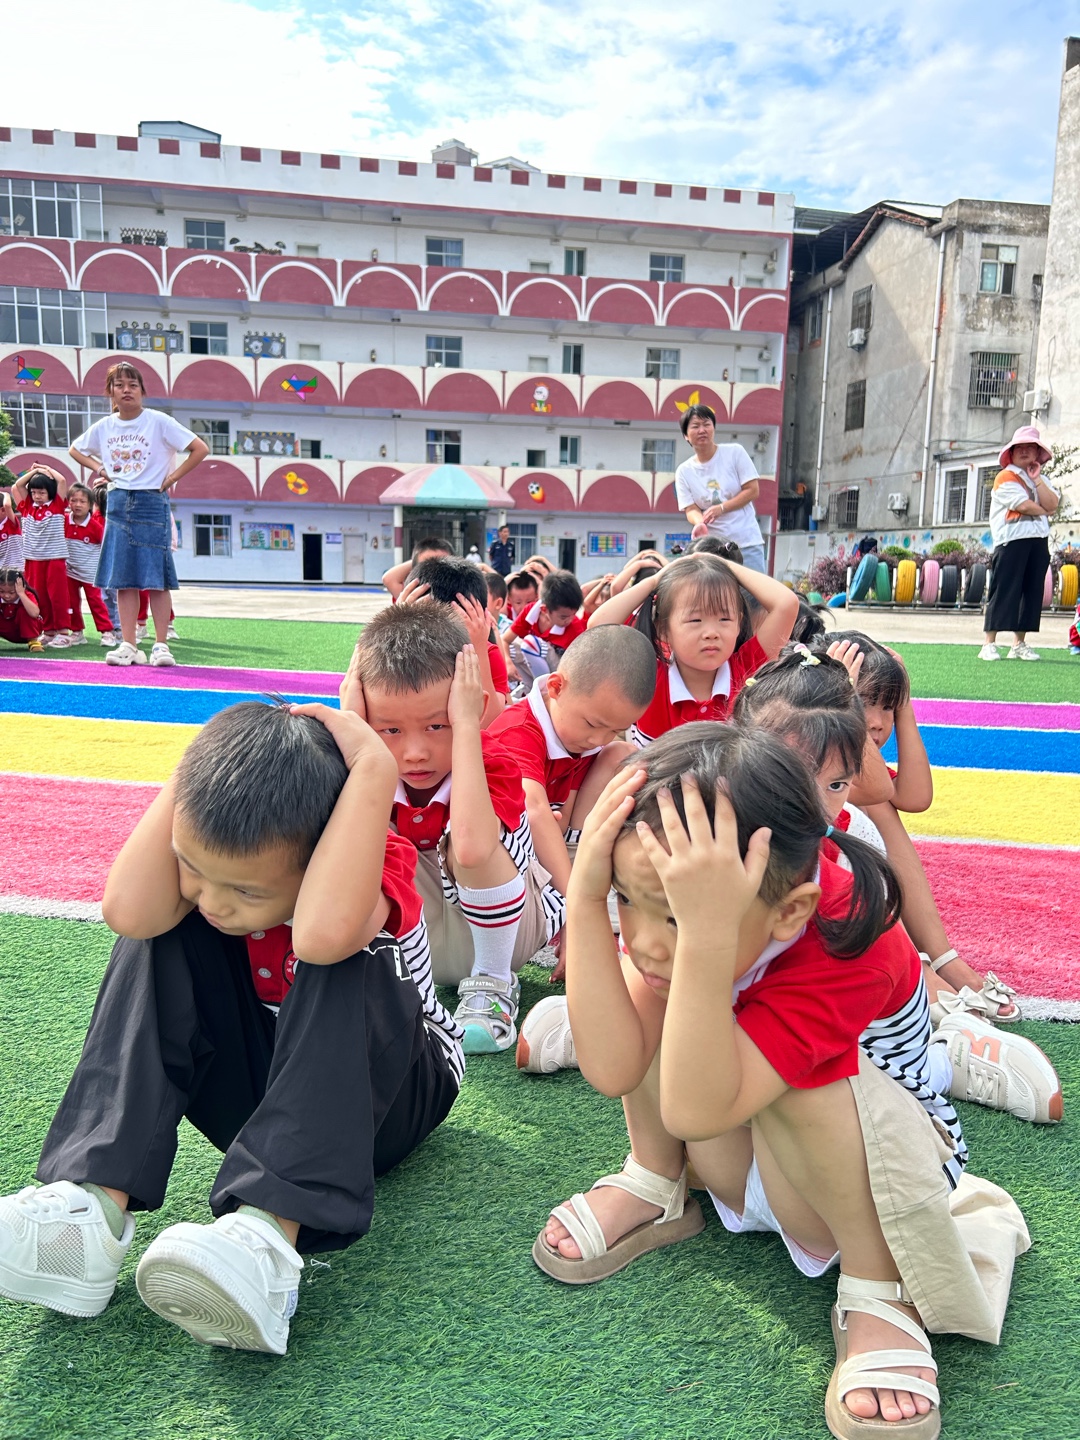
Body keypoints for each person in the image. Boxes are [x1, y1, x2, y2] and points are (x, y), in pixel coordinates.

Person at [534, 729, 1029, 1438]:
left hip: (870, 1186)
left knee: (808, 1072)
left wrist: (704, 942)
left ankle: (878, 1288)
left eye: (671, 914)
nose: (643, 937)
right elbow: (614, 1068)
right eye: (626, 899)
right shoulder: (685, 906)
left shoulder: (844, 936)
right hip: (740, 1144)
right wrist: (585, 897)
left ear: (789, 909)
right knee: (650, 985)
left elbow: (696, 1109)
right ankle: (653, 1179)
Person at [0, 698, 461, 1354]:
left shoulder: (375, 857)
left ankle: (266, 1242)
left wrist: (372, 767)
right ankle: (89, 1214)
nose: (214, 901)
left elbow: (323, 935)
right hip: (267, 1087)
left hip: (391, 1097)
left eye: (246, 891)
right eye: (194, 868)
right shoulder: (209, 884)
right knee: (161, 931)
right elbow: (129, 912)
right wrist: (199, 767)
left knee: (340, 954)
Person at [732, 647, 1061, 1124]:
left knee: (827, 1077)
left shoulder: (845, 861)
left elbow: (906, 794)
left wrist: (878, 708)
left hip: (864, 1022)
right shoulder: (715, 825)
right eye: (867, 704)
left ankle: (944, 1056)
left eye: (836, 784)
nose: (878, 721)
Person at [342, 605, 563, 1054]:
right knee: (339, 840)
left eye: (436, 725)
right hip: (411, 944)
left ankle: (494, 985)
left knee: (467, 843)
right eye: (389, 729)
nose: (415, 752)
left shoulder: (494, 759)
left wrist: (465, 728)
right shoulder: (361, 763)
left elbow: (473, 847)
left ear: (470, 709)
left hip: (504, 935)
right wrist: (354, 735)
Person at [821, 631, 1022, 1028]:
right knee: (872, 803)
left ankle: (939, 957)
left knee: (880, 806)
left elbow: (915, 797)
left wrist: (906, 705)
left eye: (888, 708)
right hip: (810, 888)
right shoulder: (813, 752)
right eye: (863, 702)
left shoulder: (863, 758)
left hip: (852, 900)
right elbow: (880, 791)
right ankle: (915, 962)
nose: (877, 722)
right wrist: (840, 704)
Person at [488, 624, 656, 903]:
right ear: (556, 687)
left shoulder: (578, 734)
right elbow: (534, 810)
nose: (598, 739)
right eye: (591, 724)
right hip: (506, 851)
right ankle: (570, 890)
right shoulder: (517, 730)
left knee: (624, 756)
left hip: (555, 835)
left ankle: (577, 863)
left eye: (614, 730)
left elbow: (566, 805)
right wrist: (576, 905)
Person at [69, 361, 208, 669]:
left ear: (142, 390)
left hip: (151, 501)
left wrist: (171, 479)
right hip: (118, 501)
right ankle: (129, 644)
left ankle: (160, 644)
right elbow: (75, 449)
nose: (126, 390)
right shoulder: (105, 426)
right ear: (110, 392)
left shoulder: (158, 421)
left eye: (133, 385)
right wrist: (99, 469)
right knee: (124, 579)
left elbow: (200, 448)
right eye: (119, 385)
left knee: (157, 579)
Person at [587, 552, 798, 746]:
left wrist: (724, 565)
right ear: (663, 629)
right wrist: (656, 580)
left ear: (738, 624)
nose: (711, 633)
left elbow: (786, 604)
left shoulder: (747, 669)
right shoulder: (649, 674)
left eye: (724, 619)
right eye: (696, 620)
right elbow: (598, 627)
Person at [979, 425, 1059, 661]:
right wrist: (1046, 510)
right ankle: (989, 643)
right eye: (1019, 447)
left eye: (1030, 447)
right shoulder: (1005, 476)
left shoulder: (1042, 479)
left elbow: (1053, 503)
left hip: (1038, 542)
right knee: (1003, 589)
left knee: (1031, 592)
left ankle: (1019, 644)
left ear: (1037, 453)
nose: (1024, 451)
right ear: (1011, 453)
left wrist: (1037, 481)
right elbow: (1023, 505)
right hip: (1011, 541)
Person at [404, 555, 510, 724]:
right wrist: (397, 628)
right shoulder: (401, 649)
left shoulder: (488, 654)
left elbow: (491, 721)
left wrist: (478, 649)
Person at [674, 403, 767, 573]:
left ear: (714, 428)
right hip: (713, 550)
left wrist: (721, 508)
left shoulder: (735, 452)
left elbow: (752, 490)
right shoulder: (684, 471)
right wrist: (700, 522)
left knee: (756, 590)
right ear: (686, 435)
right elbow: (690, 508)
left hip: (746, 543)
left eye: (706, 424)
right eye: (695, 426)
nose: (702, 430)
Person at [11, 464, 70, 640]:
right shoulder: (28, 506)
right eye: (34, 492)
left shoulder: (57, 504)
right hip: (33, 559)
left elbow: (62, 480)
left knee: (57, 596)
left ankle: (63, 632)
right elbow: (18, 485)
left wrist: (45, 468)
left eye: (42, 493)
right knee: (39, 595)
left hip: (54, 558)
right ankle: (49, 631)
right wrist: (35, 472)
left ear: (50, 492)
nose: (37, 496)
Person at [60, 483, 115, 648]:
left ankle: (107, 632)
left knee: (96, 602)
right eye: (73, 500)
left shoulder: (96, 526)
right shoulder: (63, 521)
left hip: (91, 573)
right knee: (71, 603)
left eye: (82, 501)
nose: (77, 505)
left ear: (90, 504)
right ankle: (77, 632)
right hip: (69, 572)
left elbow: (107, 548)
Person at [509, 569, 588, 661]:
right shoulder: (530, 612)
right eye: (563, 617)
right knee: (513, 648)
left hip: (560, 666)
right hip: (529, 665)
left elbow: (581, 662)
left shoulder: (575, 627)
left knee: (533, 644)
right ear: (544, 609)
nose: (570, 620)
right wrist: (508, 663)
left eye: (574, 614)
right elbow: (505, 640)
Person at [381, 536, 453, 600]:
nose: (435, 575)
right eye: (426, 569)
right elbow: (388, 579)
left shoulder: (458, 596)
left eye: (442, 568)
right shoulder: (408, 596)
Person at [0, 568, 45, 652]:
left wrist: (21, 594)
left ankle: (33, 642)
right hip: (7, 630)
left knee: (24, 611)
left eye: (11, 592)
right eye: (2, 592)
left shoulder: (27, 595)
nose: (6, 596)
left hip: (26, 631)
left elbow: (34, 613)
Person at [0, 489, 23, 571]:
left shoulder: (11, 522)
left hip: (17, 568)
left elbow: (7, 505)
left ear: (3, 510)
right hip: (2, 570)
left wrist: (5, 494)